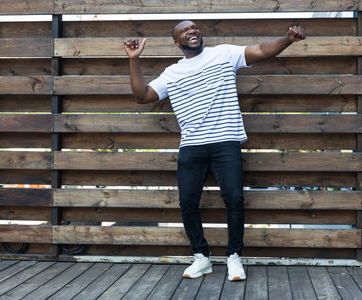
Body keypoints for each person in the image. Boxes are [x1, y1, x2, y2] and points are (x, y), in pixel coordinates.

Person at [124, 20, 305, 281]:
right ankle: (202, 258)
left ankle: (234, 258)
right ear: (177, 43)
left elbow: (261, 50)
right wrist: (133, 60)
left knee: (234, 199)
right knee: (187, 203)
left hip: (225, 142)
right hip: (191, 146)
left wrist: (287, 39)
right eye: (184, 31)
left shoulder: (224, 54)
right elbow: (143, 96)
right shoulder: (172, 73)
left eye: (194, 27)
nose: (192, 31)